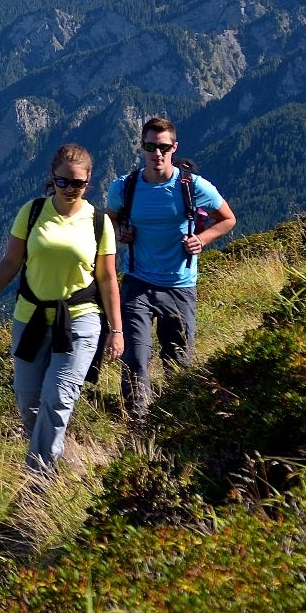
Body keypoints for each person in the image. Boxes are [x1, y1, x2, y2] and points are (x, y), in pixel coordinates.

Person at [0, 143, 124, 479]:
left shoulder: (98, 222)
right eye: (63, 181)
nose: (69, 189)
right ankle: (55, 458)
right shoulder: (32, 212)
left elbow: (108, 278)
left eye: (77, 183)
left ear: (88, 182)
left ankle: (36, 485)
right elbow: (10, 262)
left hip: (80, 321)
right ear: (52, 177)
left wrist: (118, 331)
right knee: (29, 402)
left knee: (57, 399)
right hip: (30, 319)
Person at [105, 115, 235, 420]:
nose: (157, 153)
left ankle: (178, 420)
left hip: (179, 284)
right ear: (142, 147)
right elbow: (108, 218)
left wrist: (202, 240)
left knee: (177, 359)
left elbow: (228, 219)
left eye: (163, 146)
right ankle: (137, 421)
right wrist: (120, 230)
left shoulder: (192, 186)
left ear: (174, 147)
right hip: (138, 282)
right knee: (135, 356)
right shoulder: (125, 188)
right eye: (150, 146)